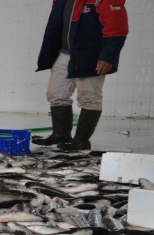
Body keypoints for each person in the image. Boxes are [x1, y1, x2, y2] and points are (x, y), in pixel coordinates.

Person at [33, 0, 128, 150]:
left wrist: (107, 57)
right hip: (64, 53)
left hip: (91, 55)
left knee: (89, 98)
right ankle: (60, 135)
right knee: (56, 94)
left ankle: (81, 141)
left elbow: (117, 28)